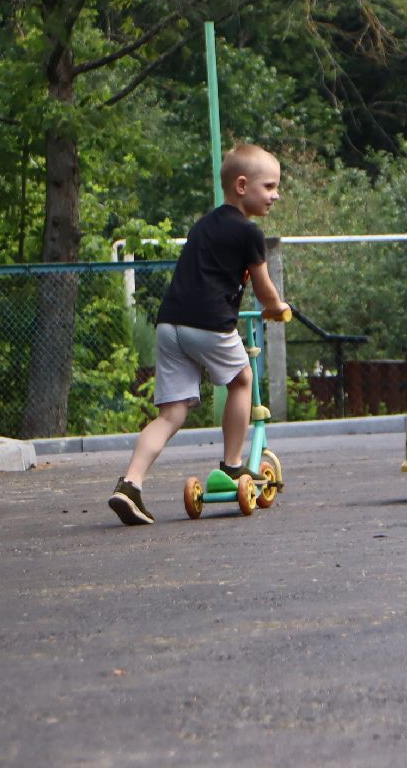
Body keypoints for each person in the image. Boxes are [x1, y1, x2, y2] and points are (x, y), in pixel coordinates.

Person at [108, 144, 289, 526]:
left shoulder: (203, 224)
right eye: (269, 186)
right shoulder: (249, 232)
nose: (276, 195)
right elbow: (264, 288)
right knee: (242, 379)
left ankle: (130, 484)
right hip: (209, 324)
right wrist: (277, 309)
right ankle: (234, 465)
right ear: (242, 185)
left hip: (170, 323)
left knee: (171, 414)